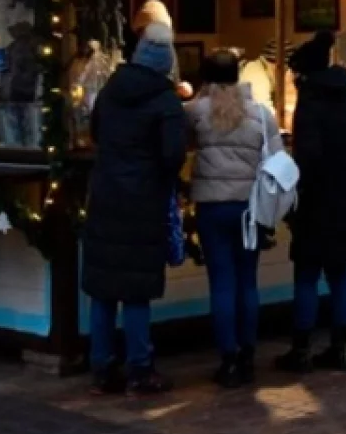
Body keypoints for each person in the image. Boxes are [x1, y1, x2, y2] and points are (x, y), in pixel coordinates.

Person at [83, 23, 186, 396]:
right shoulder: (165, 100)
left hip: (106, 196)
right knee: (137, 291)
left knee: (104, 289)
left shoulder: (110, 91)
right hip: (143, 201)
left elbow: (95, 132)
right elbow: (173, 154)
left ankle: (101, 366)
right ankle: (140, 367)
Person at [185, 49, 282, 387]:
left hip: (212, 206)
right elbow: (278, 157)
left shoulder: (196, 111)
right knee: (248, 281)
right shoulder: (261, 113)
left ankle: (227, 358)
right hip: (249, 207)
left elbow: (178, 141)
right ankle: (248, 355)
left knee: (222, 283)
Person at [275, 31, 346, 373]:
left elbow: (308, 159)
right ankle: (340, 347)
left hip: (316, 203)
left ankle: (300, 350)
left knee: (306, 276)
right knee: (340, 274)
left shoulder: (309, 107)